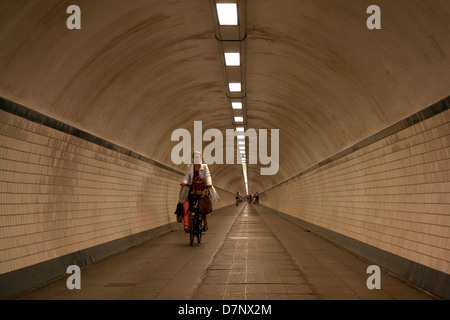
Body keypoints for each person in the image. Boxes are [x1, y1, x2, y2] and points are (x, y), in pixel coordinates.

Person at [180, 151, 213, 232]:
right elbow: (186, 176)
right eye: (195, 158)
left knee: (202, 207)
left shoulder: (204, 166)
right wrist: (184, 182)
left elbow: (208, 175)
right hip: (193, 188)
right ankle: (189, 226)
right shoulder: (189, 167)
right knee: (191, 208)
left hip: (202, 188)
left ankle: (205, 222)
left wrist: (209, 183)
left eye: (198, 158)